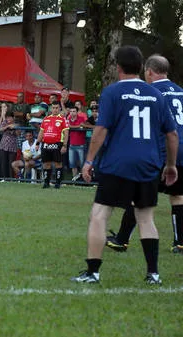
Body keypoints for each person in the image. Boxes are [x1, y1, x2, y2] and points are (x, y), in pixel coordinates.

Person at [72, 46, 178, 285]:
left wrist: (89, 160)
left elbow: (101, 129)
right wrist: (170, 165)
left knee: (100, 214)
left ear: (117, 67)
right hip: (149, 164)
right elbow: (172, 135)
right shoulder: (155, 95)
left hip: (117, 162)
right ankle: (153, 274)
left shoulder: (112, 93)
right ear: (142, 67)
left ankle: (93, 271)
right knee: (146, 217)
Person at [106, 54, 183, 255]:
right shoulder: (181, 92)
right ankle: (180, 241)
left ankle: (121, 240)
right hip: (181, 148)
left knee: (138, 196)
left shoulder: (150, 92)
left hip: (162, 150)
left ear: (149, 72)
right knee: (178, 195)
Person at [36, 102, 69, 189]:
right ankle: (46, 183)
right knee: (46, 164)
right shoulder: (46, 119)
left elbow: (66, 133)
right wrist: (37, 143)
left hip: (58, 144)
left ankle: (58, 183)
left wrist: (64, 145)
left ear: (59, 109)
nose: (55, 109)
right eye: (53, 108)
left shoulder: (63, 119)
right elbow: (41, 132)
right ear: (51, 109)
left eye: (57, 108)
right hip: (46, 144)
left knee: (58, 164)